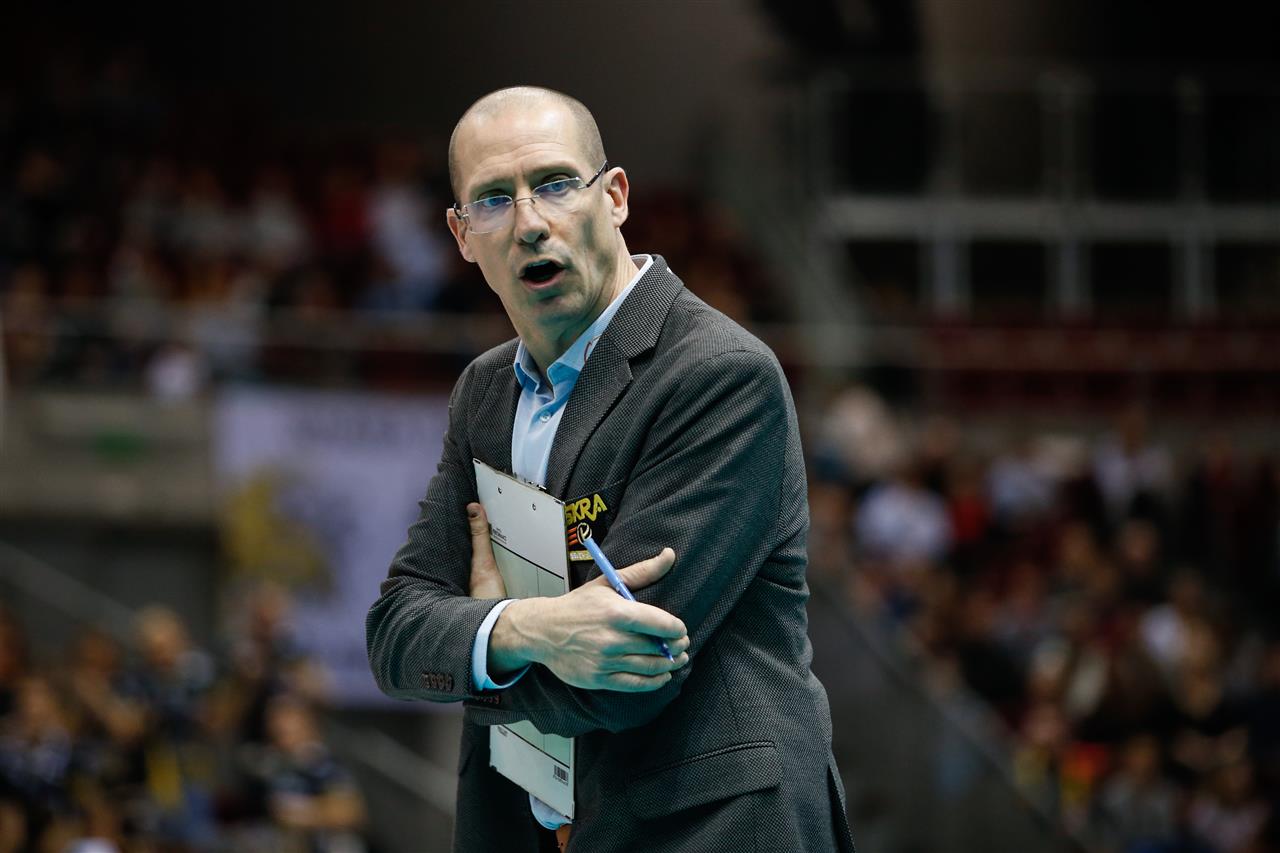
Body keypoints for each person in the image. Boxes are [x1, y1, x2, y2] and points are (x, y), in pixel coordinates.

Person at [366, 86, 856, 853]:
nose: (531, 221)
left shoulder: (718, 374)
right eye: (494, 199)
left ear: (616, 196)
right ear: (461, 235)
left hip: (707, 829)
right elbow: (395, 631)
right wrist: (525, 627)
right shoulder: (483, 395)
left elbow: (627, 671)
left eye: (556, 183)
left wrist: (480, 642)